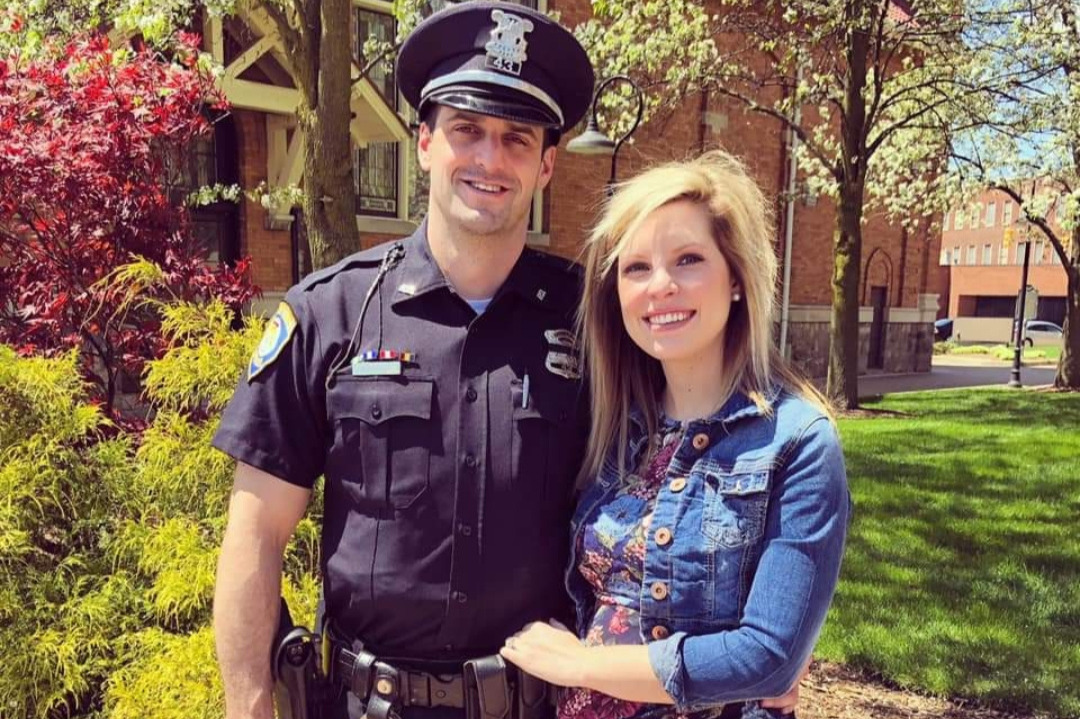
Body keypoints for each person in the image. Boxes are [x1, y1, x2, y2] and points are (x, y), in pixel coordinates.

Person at [211, 3, 596, 719]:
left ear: (546, 165)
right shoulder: (331, 312)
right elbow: (255, 534)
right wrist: (249, 703)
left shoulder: (592, 322)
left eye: (517, 139)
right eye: (466, 130)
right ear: (423, 142)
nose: (489, 159)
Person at [499, 151, 851, 719]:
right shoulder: (610, 424)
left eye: (688, 260)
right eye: (636, 268)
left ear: (735, 278)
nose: (660, 286)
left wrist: (581, 665)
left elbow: (769, 658)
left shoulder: (796, 442)